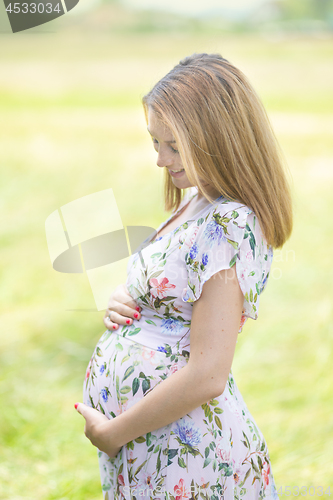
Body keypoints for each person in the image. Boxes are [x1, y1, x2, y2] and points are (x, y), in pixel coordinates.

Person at [75, 53, 293, 499]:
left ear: (217, 138)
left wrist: (115, 432)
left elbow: (209, 373)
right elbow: (174, 287)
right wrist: (126, 297)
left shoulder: (229, 223)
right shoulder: (194, 202)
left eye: (173, 145)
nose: (160, 160)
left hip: (191, 455)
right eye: (155, 142)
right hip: (155, 446)